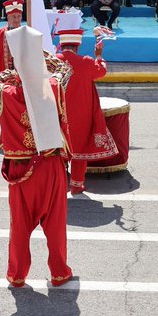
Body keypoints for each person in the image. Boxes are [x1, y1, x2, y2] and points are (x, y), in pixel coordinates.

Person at [0, 26, 74, 287]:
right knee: (56, 224)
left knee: (20, 227)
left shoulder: (7, 93)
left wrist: (17, 66)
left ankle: (17, 274)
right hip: (49, 166)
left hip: (19, 169)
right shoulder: (54, 87)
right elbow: (65, 69)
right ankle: (59, 272)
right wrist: (40, 54)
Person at [54, 28, 116, 194]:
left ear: (61, 45)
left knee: (58, 149)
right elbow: (101, 71)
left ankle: (59, 183)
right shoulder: (86, 61)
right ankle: (76, 184)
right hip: (81, 114)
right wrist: (99, 56)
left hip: (57, 113)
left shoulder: (51, 62)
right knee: (79, 148)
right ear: (77, 46)